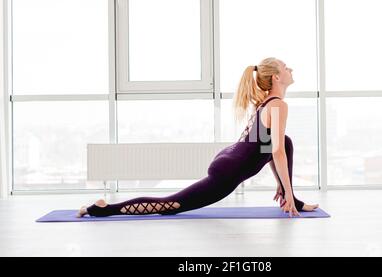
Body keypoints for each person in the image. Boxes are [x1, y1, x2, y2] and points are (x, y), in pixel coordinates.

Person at [78, 57, 319, 218]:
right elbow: (274, 152)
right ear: (276, 77)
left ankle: (293, 199)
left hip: (229, 158)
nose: (291, 70)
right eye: (286, 67)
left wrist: (285, 188)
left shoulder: (269, 103)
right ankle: (103, 209)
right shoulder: (277, 105)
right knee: (169, 206)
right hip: (228, 172)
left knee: (285, 140)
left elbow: (273, 147)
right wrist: (287, 191)